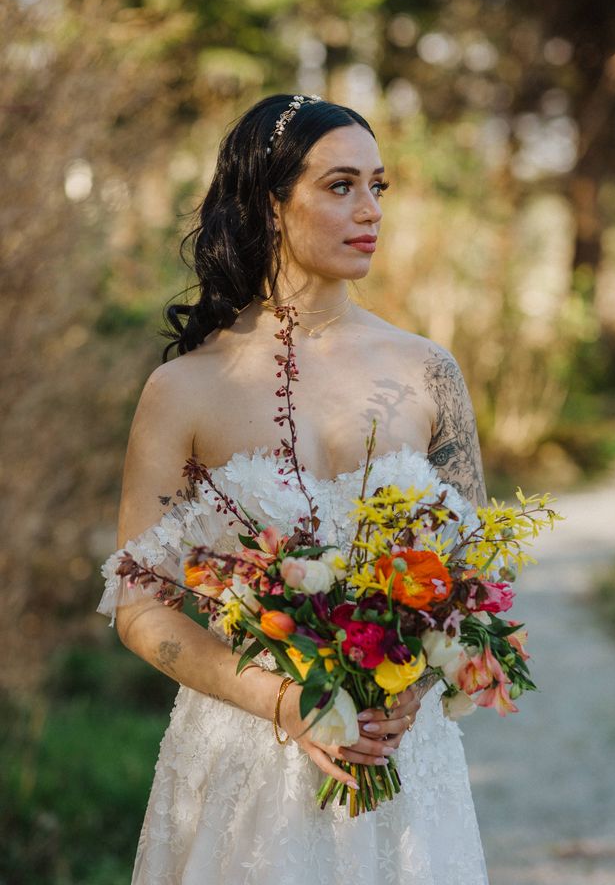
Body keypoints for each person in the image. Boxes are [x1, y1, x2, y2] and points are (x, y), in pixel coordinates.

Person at [98, 93, 490, 884]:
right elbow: (140, 607)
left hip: (399, 755)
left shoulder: (428, 371)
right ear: (270, 204)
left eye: (378, 186)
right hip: (248, 759)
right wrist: (286, 703)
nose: (371, 210)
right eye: (340, 186)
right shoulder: (184, 390)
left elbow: (475, 573)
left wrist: (413, 682)